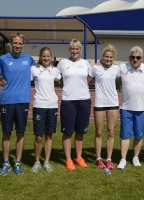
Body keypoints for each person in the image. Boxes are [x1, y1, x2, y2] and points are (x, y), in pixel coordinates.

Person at [0, 33, 36, 176]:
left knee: (20, 132)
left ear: (23, 44)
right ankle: (6, 162)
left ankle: (17, 162)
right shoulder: (2, 60)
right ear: (10, 44)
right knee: (6, 132)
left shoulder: (29, 59)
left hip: (23, 101)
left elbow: (41, 70)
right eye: (15, 43)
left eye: (20, 43)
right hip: (7, 100)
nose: (17, 46)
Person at [57, 39, 91, 171]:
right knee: (67, 132)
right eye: (72, 48)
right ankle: (68, 159)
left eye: (77, 48)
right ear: (69, 50)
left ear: (80, 50)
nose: (75, 51)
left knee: (80, 132)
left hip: (84, 100)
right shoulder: (63, 63)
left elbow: (88, 78)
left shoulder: (86, 63)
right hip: (68, 101)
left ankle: (78, 157)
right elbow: (59, 80)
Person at [117, 46, 144, 169]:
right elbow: (109, 68)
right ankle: (123, 159)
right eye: (133, 57)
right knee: (125, 135)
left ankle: (136, 157)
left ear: (142, 58)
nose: (135, 60)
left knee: (139, 135)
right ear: (129, 58)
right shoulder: (122, 67)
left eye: (138, 57)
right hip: (126, 108)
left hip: (142, 109)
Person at [89, 44, 120, 170]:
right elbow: (87, 80)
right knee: (99, 132)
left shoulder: (117, 69)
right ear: (103, 57)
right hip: (100, 103)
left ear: (113, 58)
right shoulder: (95, 68)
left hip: (113, 103)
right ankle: (98, 158)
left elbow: (121, 81)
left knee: (111, 132)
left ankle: (109, 159)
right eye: (106, 56)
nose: (108, 59)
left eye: (111, 57)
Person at [30, 47, 61, 173]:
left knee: (49, 135)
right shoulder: (34, 69)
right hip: (39, 105)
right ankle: (37, 162)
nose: (46, 58)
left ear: (51, 57)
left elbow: (60, 80)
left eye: (48, 56)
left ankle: (46, 162)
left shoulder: (55, 70)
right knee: (38, 136)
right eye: (44, 56)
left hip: (52, 105)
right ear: (40, 56)